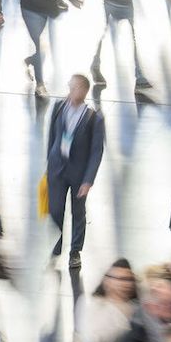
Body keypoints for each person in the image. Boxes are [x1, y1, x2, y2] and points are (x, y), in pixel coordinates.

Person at [46, 74, 106, 269]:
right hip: (57, 168)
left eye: (74, 88)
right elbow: (52, 136)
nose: (70, 91)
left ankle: (75, 251)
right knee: (55, 209)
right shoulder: (58, 107)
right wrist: (49, 163)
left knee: (78, 212)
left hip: (79, 173)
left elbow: (97, 150)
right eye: (69, 87)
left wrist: (88, 180)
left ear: (83, 90)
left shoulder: (93, 117)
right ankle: (56, 246)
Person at [74, 259, 138, 342]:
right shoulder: (92, 304)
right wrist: (121, 316)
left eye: (128, 279)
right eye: (119, 279)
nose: (124, 284)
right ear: (107, 281)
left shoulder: (136, 308)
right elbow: (92, 341)